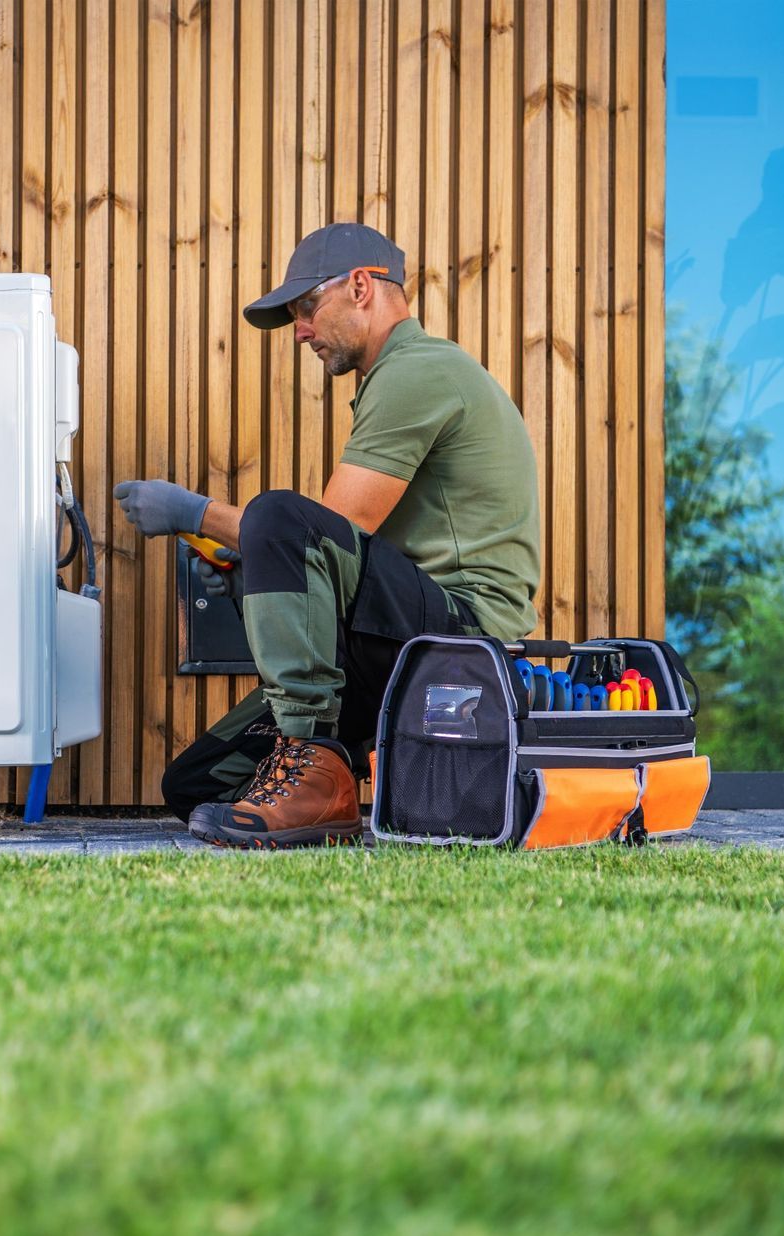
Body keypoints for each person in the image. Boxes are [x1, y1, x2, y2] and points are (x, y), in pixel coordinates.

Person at [113, 222, 540, 848]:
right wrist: (247, 562)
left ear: (362, 286)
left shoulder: (416, 372)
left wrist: (193, 512)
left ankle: (314, 760)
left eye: (308, 307)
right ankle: (319, 777)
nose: (302, 330)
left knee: (280, 515)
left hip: (463, 638)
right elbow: (342, 559)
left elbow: (329, 530)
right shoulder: (394, 378)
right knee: (197, 784)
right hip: (400, 638)